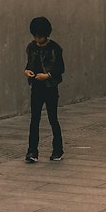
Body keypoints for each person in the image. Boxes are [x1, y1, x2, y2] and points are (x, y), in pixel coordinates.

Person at [24, 16, 65, 163]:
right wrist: (27, 71)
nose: (37, 39)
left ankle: (58, 149)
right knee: (34, 119)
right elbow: (29, 64)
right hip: (36, 87)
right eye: (35, 36)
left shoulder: (55, 48)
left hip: (50, 88)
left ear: (46, 34)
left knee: (52, 118)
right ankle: (32, 151)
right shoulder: (31, 47)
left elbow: (60, 68)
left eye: (40, 36)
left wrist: (47, 75)